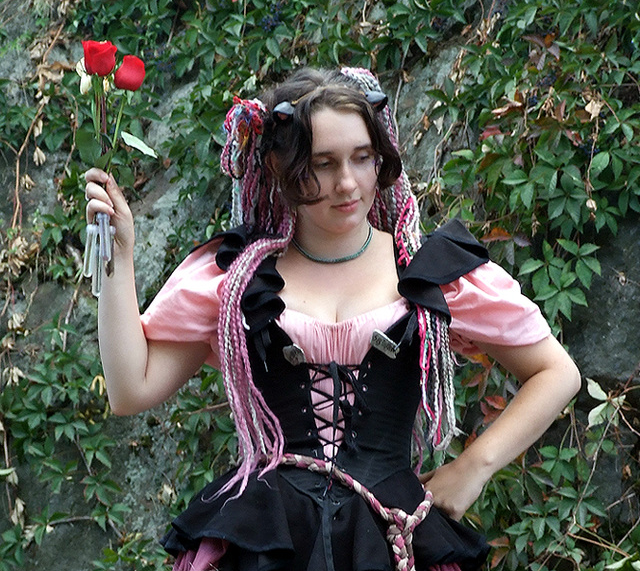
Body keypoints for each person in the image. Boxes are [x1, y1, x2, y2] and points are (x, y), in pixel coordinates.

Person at [84, 67, 581, 571]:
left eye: (362, 158)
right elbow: (130, 389)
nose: (347, 183)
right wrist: (118, 259)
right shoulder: (237, 281)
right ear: (282, 166)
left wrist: (474, 466)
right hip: (267, 542)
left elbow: (557, 373)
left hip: (391, 537)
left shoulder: (432, 274)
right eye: (323, 164)